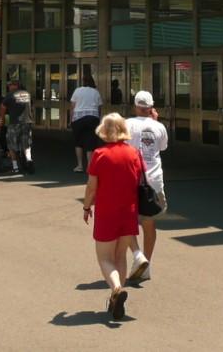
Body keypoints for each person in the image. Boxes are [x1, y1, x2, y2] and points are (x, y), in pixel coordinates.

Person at [82, 112, 143, 321]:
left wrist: (86, 206)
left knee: (105, 258)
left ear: (105, 131)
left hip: (107, 211)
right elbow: (138, 180)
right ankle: (116, 298)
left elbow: (92, 187)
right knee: (120, 257)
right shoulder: (134, 153)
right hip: (129, 211)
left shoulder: (100, 154)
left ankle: (116, 289)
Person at [124, 90, 168, 284]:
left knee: (127, 222)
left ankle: (137, 256)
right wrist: (155, 121)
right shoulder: (159, 127)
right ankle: (146, 265)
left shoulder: (127, 124)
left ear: (135, 106)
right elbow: (162, 147)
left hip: (131, 180)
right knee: (149, 223)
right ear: (151, 108)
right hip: (154, 181)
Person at [68, 75, 103, 172]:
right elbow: (99, 107)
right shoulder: (96, 92)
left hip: (78, 118)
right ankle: (89, 166)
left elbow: (72, 107)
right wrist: (98, 119)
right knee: (90, 143)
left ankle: (79, 165)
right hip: (93, 118)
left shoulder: (77, 91)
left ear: (83, 82)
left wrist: (71, 120)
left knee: (78, 142)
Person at [3, 78, 34, 174]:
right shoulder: (27, 94)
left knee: (12, 146)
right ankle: (29, 160)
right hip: (27, 123)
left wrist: (2, 119)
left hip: (14, 123)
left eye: (10, 85)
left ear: (15, 86)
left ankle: (15, 167)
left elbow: (3, 108)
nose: (9, 86)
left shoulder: (10, 95)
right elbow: (31, 107)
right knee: (26, 144)